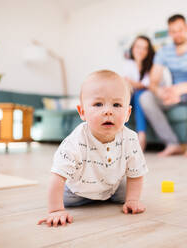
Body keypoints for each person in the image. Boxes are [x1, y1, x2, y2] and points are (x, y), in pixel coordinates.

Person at [38, 70, 148, 227]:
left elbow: (136, 172)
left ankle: (124, 198)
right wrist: (55, 211)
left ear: (128, 113)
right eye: (98, 104)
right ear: (82, 112)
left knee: (129, 191)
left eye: (117, 105)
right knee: (62, 196)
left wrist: (132, 200)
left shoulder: (130, 138)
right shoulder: (76, 141)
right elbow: (58, 176)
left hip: (112, 187)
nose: (108, 111)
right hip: (76, 193)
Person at [140, 14, 187, 158]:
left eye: (180, 30)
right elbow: (153, 82)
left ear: (186, 29)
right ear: (169, 33)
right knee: (145, 97)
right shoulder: (164, 52)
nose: (177, 34)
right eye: (173, 31)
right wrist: (160, 92)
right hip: (174, 94)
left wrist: (181, 88)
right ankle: (172, 144)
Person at [123, 35, 155, 151]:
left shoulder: (152, 66)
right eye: (138, 47)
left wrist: (132, 83)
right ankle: (122, 138)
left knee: (139, 95)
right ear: (133, 48)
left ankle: (141, 137)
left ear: (148, 51)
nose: (141, 51)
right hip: (130, 96)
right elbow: (126, 83)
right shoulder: (128, 64)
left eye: (144, 48)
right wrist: (133, 84)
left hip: (144, 97)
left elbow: (146, 85)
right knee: (126, 98)